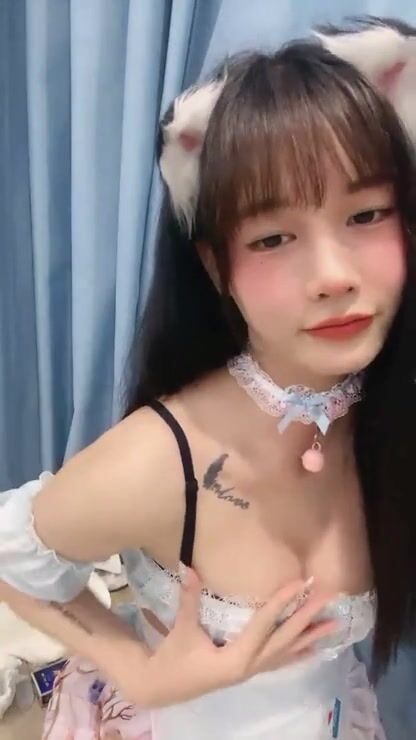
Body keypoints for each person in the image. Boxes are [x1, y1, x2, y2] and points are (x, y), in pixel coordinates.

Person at [1, 22, 416, 739]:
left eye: (366, 214)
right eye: (273, 238)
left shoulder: (385, 415)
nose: (333, 276)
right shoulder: (168, 457)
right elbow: (9, 550)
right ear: (217, 266)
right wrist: (136, 668)